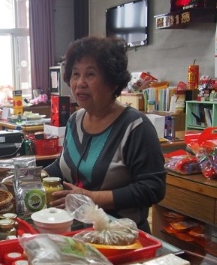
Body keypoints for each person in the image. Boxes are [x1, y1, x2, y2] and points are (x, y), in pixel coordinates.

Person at [45, 36, 166, 233]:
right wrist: (31, 176)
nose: (80, 83)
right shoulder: (75, 120)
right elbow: (63, 165)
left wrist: (89, 197)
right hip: (79, 232)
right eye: (75, 74)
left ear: (113, 82)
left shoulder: (135, 127)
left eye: (90, 75)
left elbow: (152, 188)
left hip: (124, 236)